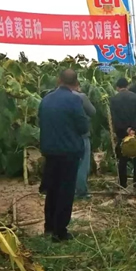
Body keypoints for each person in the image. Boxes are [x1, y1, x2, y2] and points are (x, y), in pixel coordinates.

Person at [38, 69, 89, 242]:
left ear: (58, 80)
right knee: (65, 192)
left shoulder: (46, 99)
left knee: (52, 190)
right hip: (68, 152)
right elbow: (83, 127)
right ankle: (60, 232)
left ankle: (49, 227)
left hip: (50, 151)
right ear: (75, 82)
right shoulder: (74, 100)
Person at [110, 77, 136, 190]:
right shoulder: (135, 97)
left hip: (122, 132)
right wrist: (133, 129)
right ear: (128, 85)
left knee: (122, 159)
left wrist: (125, 129)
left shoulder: (114, 99)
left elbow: (115, 118)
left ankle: (123, 184)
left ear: (117, 87)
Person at [73, 81, 96, 200]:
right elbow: (92, 111)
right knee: (82, 164)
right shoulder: (81, 97)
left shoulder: (54, 96)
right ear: (77, 86)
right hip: (81, 135)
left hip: (65, 136)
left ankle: (68, 191)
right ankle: (81, 192)